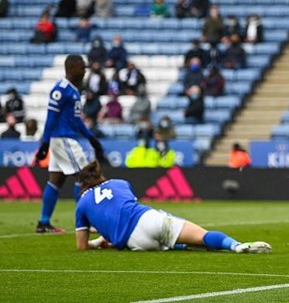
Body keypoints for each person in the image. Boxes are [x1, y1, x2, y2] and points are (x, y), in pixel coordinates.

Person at [75, 160, 271, 253]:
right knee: (202, 235)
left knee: (175, 244)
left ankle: (181, 244)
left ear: (82, 184)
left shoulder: (82, 203)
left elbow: (81, 246)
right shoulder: (119, 182)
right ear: (100, 176)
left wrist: (98, 241)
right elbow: (125, 208)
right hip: (147, 221)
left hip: (135, 244)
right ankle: (236, 246)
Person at [34, 54, 106, 233]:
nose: (84, 71)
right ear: (71, 68)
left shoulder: (74, 90)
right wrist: (45, 142)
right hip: (63, 139)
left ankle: (43, 222)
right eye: (82, 67)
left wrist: (91, 138)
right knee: (86, 177)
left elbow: (77, 121)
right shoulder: (61, 89)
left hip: (64, 138)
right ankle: (85, 223)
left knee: (55, 181)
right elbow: (51, 116)